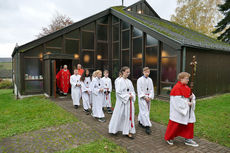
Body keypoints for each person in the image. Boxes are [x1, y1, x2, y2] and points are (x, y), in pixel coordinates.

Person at [164, 72, 198, 147]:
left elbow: (191, 96)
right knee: (175, 124)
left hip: (187, 110)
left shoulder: (186, 87)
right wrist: (186, 103)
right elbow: (177, 101)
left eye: (188, 78)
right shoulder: (177, 88)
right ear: (181, 79)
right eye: (187, 78)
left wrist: (192, 99)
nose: (188, 80)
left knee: (189, 123)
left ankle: (188, 139)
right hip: (178, 111)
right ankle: (169, 138)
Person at [109, 66, 136, 139]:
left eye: (129, 72)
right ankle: (114, 129)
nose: (128, 73)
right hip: (122, 102)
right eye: (127, 72)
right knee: (119, 115)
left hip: (128, 102)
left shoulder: (129, 81)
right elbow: (118, 92)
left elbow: (132, 91)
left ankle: (127, 131)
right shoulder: (119, 81)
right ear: (123, 72)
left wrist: (132, 95)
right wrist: (127, 96)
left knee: (128, 116)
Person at [137, 67, 154, 135]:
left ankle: (141, 121)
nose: (147, 73)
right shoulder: (140, 80)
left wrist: (150, 97)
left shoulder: (150, 80)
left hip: (148, 97)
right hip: (142, 98)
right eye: (146, 72)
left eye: (148, 72)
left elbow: (152, 89)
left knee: (147, 110)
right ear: (143, 72)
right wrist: (144, 97)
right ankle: (147, 126)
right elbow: (139, 89)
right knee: (144, 111)